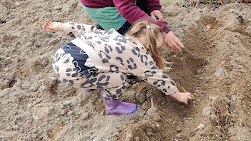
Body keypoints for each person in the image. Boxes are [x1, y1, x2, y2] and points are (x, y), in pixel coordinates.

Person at [43, 19, 192, 115]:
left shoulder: (114, 35)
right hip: (72, 73)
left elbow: (86, 29)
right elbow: (157, 77)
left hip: (62, 56)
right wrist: (179, 95)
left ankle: (92, 83)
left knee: (109, 62)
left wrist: (61, 27)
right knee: (119, 79)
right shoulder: (137, 55)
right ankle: (112, 106)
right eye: (157, 49)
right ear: (148, 47)